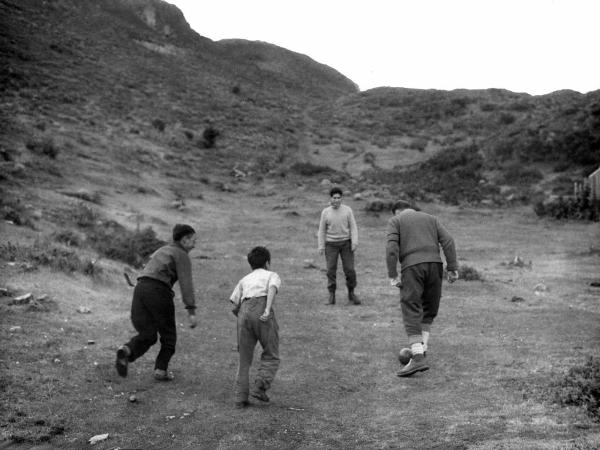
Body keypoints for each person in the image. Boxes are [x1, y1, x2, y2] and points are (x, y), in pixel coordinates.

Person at [115, 224, 198, 381]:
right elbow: (186, 284)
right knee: (169, 335)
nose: (195, 244)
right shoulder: (181, 254)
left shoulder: (161, 250)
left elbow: (148, 270)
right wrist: (191, 311)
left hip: (140, 289)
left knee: (149, 334)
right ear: (185, 239)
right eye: (193, 240)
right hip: (159, 291)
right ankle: (161, 369)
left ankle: (127, 351)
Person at [385, 200, 459, 377]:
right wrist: (452, 267)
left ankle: (417, 357)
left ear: (397, 211)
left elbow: (391, 249)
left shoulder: (396, 220)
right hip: (435, 265)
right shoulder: (431, 218)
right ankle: (422, 349)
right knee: (428, 309)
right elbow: (448, 241)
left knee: (410, 307)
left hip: (412, 267)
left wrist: (392, 274)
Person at [229, 246, 282, 408]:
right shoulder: (271, 275)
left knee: (244, 358)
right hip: (262, 308)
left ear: (250, 264)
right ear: (268, 262)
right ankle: (260, 386)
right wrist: (266, 308)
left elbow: (233, 304)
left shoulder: (244, 279)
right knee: (271, 352)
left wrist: (243, 318)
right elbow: (272, 287)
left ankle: (240, 397)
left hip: (243, 311)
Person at [317, 187, 360, 305]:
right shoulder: (325, 212)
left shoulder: (348, 210)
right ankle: (331, 295)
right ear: (331, 199)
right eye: (334, 198)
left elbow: (353, 227)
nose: (336, 200)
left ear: (342, 198)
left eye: (338, 198)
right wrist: (321, 246)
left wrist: (354, 242)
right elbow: (321, 230)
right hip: (331, 244)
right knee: (331, 270)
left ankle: (351, 293)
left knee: (350, 269)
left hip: (346, 243)